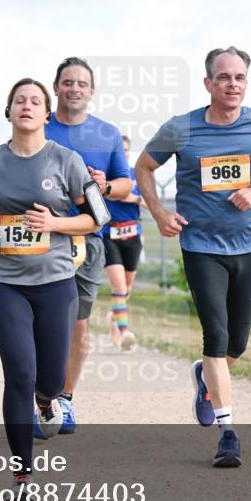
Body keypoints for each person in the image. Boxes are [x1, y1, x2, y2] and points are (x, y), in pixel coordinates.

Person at [135, 46, 251, 468]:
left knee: (236, 345)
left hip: (248, 245)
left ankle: (205, 378)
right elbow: (143, 167)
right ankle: (228, 433)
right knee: (216, 334)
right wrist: (158, 213)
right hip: (200, 246)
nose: (232, 84)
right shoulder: (182, 128)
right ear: (208, 83)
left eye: (239, 77)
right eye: (223, 77)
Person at [0, 78, 98, 491]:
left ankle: (47, 402)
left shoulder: (67, 160)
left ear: (47, 113)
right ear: (9, 112)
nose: (27, 105)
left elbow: (97, 218)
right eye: (19, 100)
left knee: (50, 380)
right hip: (5, 283)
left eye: (35, 101)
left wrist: (54, 223)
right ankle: (22, 470)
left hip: (57, 283)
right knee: (19, 373)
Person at [44, 56, 132, 435]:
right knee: (42, 326)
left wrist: (105, 185)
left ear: (92, 91)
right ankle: (41, 399)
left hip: (88, 241)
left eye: (81, 83)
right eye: (68, 82)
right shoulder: (38, 127)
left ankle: (65, 398)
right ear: (56, 87)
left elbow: (125, 185)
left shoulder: (107, 133)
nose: (74, 88)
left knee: (79, 329)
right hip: (42, 239)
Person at [103, 135, 144, 350]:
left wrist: (134, 198)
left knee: (126, 289)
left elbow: (151, 202)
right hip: (109, 236)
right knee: (119, 287)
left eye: (126, 150)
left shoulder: (136, 175)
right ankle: (125, 332)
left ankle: (114, 319)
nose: (124, 154)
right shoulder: (104, 177)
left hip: (133, 236)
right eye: (120, 151)